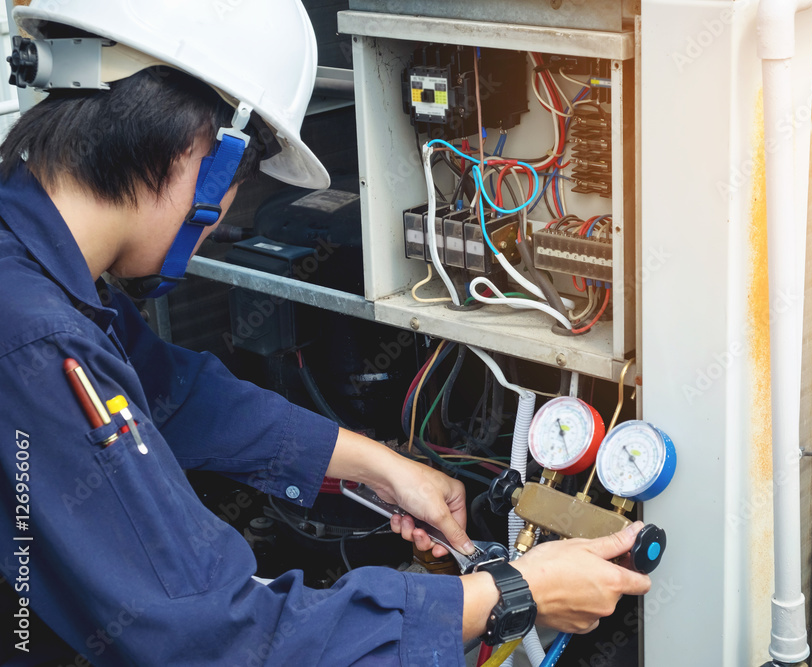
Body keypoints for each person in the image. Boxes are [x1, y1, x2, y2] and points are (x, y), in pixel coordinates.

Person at [0, 1, 651, 664]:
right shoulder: (37, 341)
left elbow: (177, 395)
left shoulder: (36, 272)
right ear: (206, 146)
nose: (223, 217)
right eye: (247, 174)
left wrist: (383, 467)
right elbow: (221, 638)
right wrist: (513, 593)